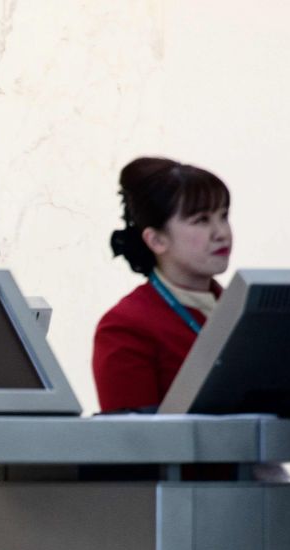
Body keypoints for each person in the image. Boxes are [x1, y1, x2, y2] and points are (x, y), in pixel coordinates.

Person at [92, 157, 233, 413]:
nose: (221, 232)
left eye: (223, 216)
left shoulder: (243, 309)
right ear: (156, 240)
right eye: (201, 220)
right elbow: (133, 443)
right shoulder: (125, 326)